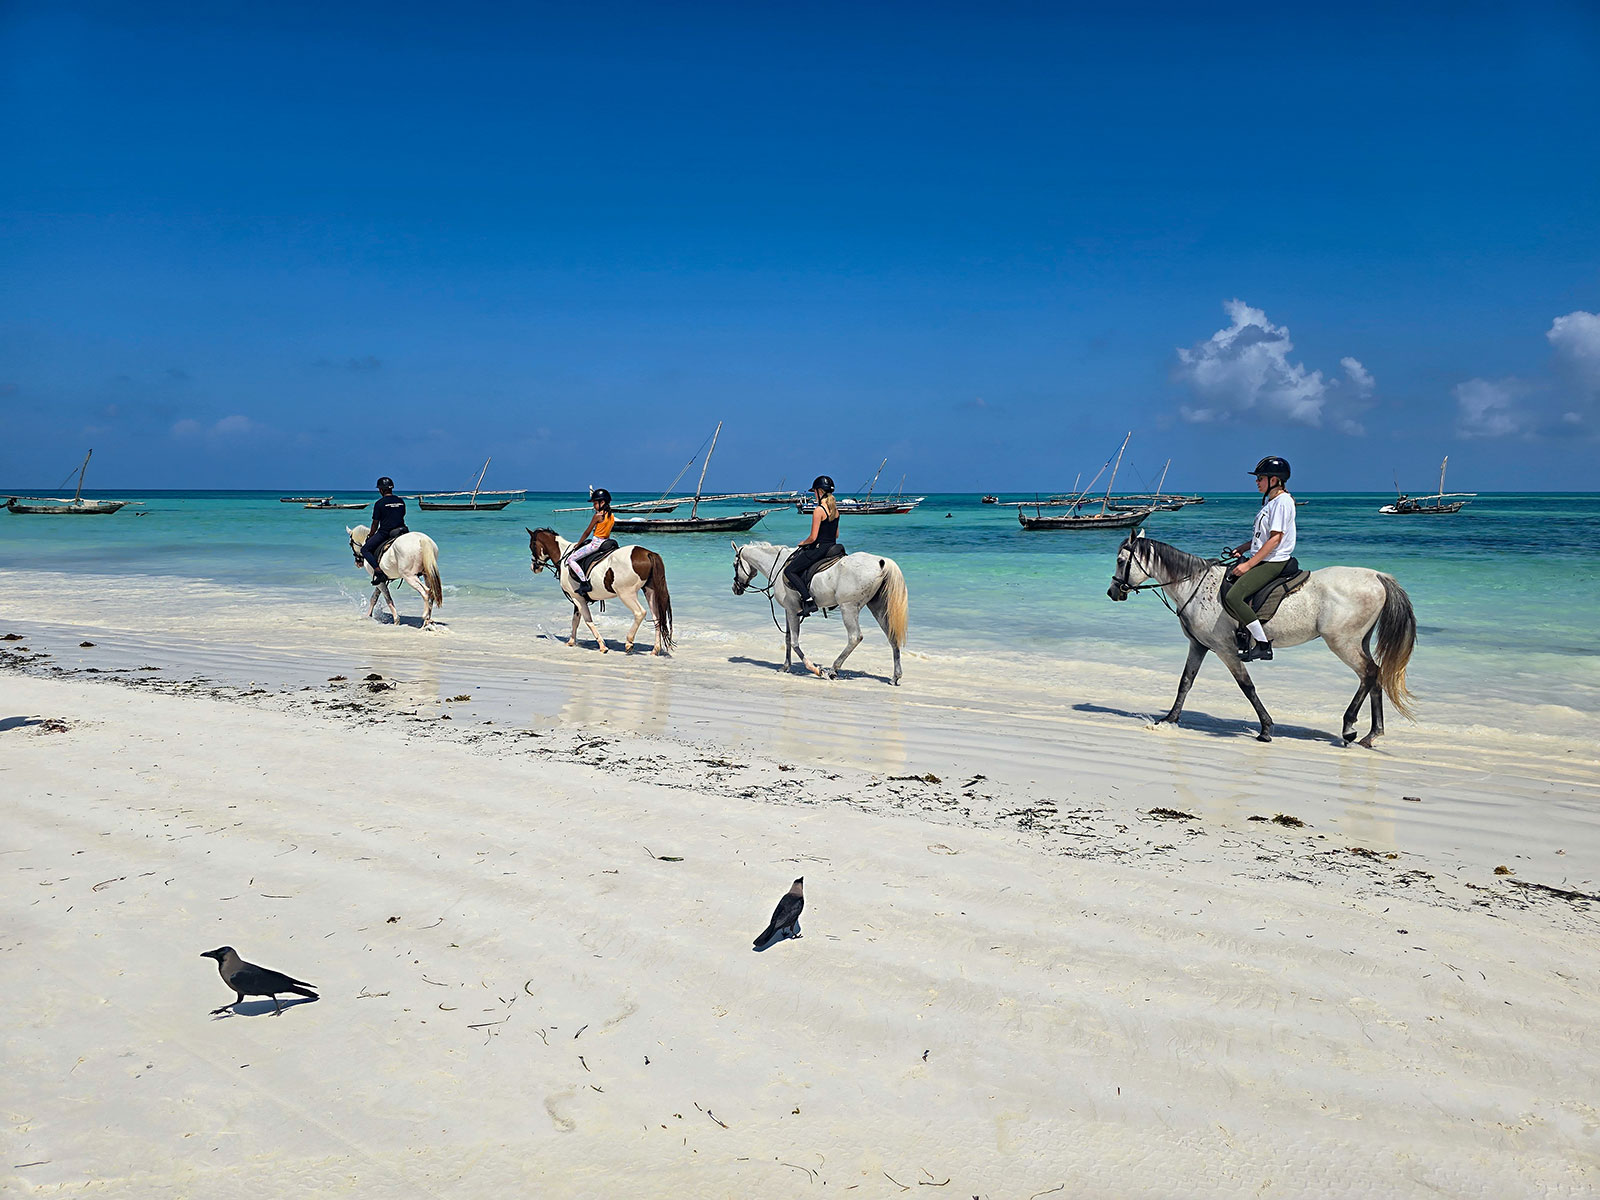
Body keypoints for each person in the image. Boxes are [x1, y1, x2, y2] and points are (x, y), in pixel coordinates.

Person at [1225, 456, 1297, 662]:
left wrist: (1248, 564)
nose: (1257, 482)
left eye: (1260, 478)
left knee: (1233, 597)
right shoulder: (1271, 502)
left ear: (1274, 480)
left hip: (1274, 561)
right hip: (1264, 556)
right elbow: (1262, 537)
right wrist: (1243, 548)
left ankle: (1263, 645)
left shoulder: (1282, 502)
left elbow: (1275, 540)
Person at [784, 475, 841, 616]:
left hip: (820, 549)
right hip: (833, 548)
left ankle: (809, 601)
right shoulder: (835, 510)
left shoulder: (819, 510)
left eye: (814, 491)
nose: (814, 495)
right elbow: (836, 535)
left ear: (819, 491)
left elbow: (813, 537)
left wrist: (802, 542)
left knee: (789, 571)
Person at [567, 489, 616, 596]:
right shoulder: (611, 515)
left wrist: (579, 544)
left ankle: (584, 582)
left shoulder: (598, 516)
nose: (594, 505)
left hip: (596, 544)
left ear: (602, 502)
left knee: (570, 559)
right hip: (606, 541)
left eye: (595, 503)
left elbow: (587, 532)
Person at [361, 477, 408, 585]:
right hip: (403, 530)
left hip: (386, 532)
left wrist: (371, 535)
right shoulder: (400, 501)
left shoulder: (380, 503)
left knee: (365, 550)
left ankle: (379, 572)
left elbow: (375, 523)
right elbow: (402, 515)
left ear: (381, 490)